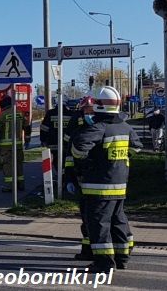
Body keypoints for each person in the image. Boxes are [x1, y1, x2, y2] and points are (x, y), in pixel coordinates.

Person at [71, 86, 142, 272]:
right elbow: (137, 148)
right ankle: (122, 258)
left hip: (98, 186)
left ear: (100, 105)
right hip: (120, 184)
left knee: (99, 224)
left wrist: (90, 161)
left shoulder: (99, 127)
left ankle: (104, 263)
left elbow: (78, 148)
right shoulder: (124, 126)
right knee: (118, 221)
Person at [65, 96, 96, 260]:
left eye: (91, 110)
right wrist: (69, 178)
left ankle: (95, 252)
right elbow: (69, 156)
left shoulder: (102, 128)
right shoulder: (77, 132)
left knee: (96, 218)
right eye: (86, 110)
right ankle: (88, 250)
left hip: (99, 180)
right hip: (82, 179)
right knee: (87, 217)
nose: (88, 113)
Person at [0, 93, 27, 192]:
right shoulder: (19, 113)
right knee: (19, 165)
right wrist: (27, 139)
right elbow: (27, 127)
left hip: (6, 147)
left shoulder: (0, 116)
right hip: (18, 145)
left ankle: (10, 186)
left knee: (8, 166)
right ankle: (21, 185)